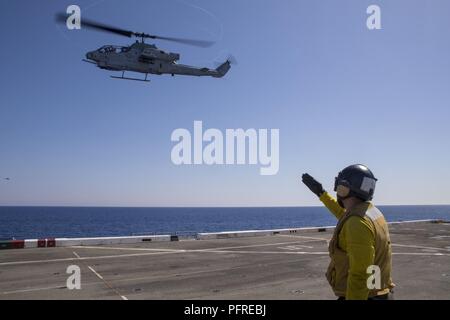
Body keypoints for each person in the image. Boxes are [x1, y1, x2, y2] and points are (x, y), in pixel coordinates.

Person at [301, 164, 394, 300]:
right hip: (378, 292)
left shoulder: (357, 223)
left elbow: (361, 274)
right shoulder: (369, 212)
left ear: (344, 189)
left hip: (365, 295)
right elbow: (343, 214)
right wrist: (321, 193)